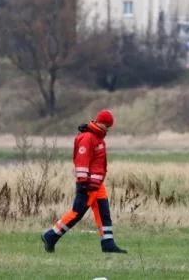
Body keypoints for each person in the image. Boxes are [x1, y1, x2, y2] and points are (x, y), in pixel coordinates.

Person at [42, 109, 128, 254]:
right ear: (100, 122)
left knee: (103, 213)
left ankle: (108, 243)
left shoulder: (98, 137)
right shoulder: (88, 137)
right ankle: (50, 235)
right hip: (87, 184)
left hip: (97, 184)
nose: (108, 129)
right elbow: (81, 161)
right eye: (107, 125)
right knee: (76, 214)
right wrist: (83, 182)